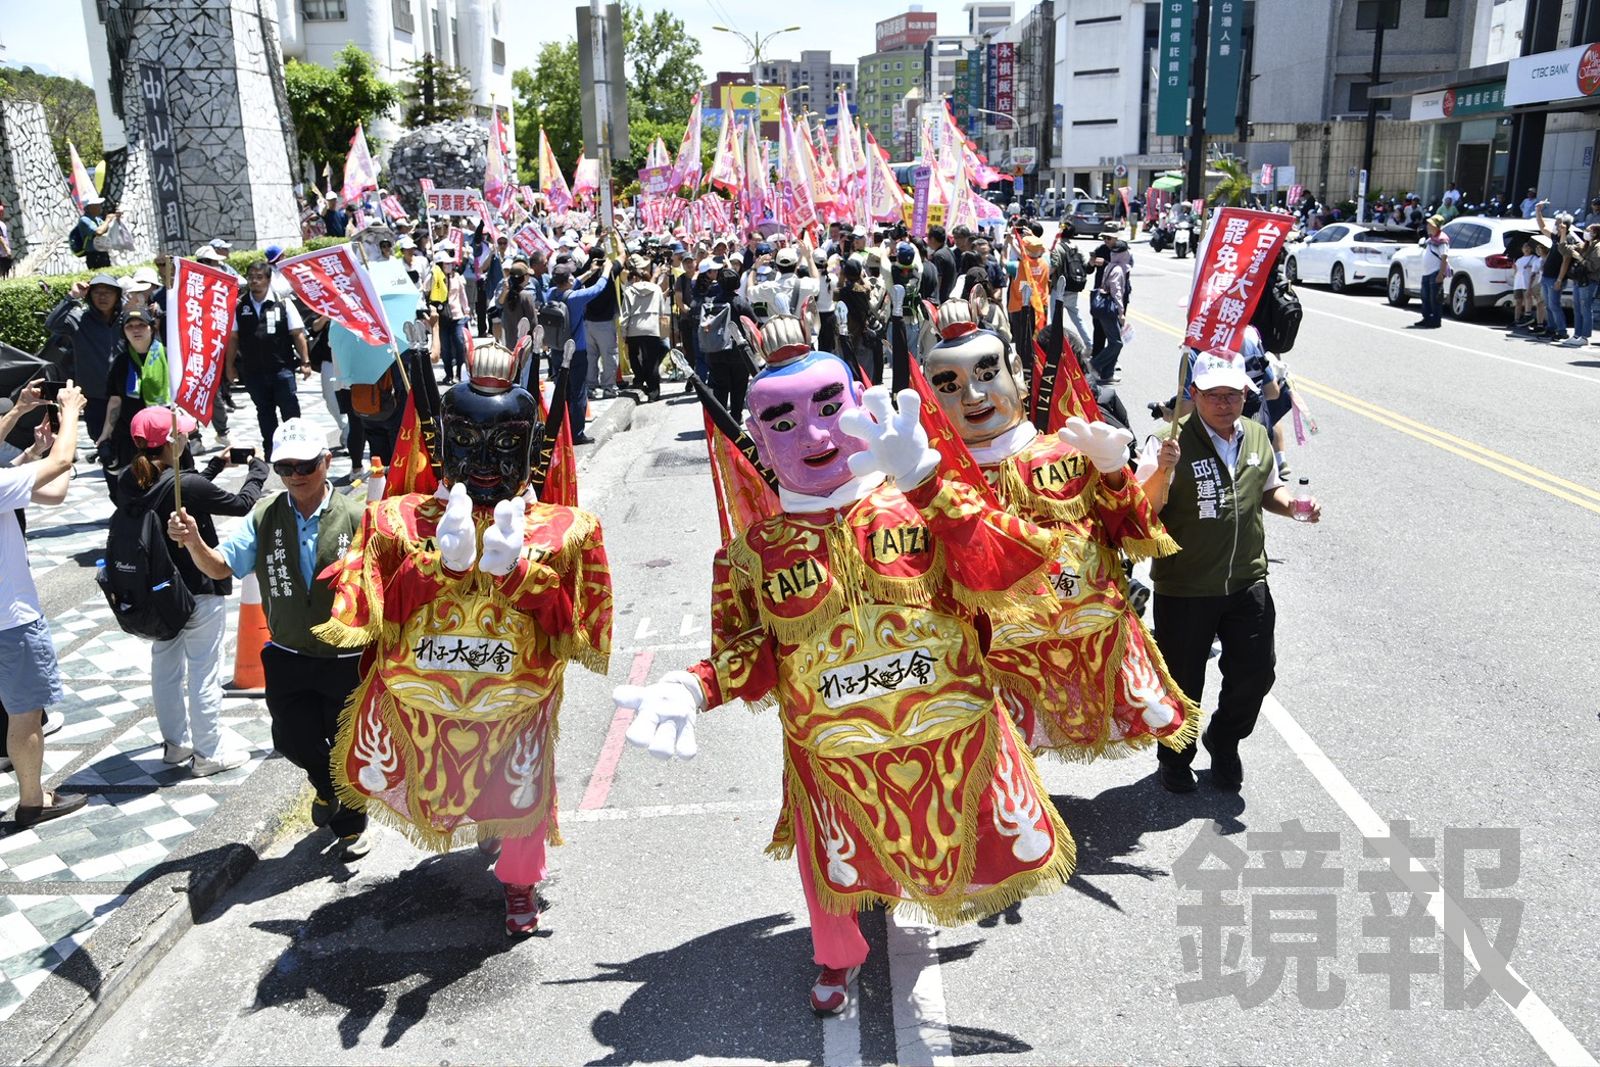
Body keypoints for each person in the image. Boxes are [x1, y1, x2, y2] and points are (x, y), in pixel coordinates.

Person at [616, 319, 1073, 1015]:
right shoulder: (751, 553)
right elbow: (754, 652)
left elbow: (1018, 562)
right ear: (756, 437)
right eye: (783, 422)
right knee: (829, 852)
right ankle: (836, 955)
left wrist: (927, 485)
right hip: (833, 749)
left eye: (830, 406)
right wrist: (693, 685)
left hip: (943, 733)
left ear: (861, 402)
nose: (816, 435)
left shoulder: (922, 501)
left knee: (946, 842)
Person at [313, 340, 613, 935]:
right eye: (466, 440)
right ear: (441, 441)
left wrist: (522, 575)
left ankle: (520, 882)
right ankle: (485, 824)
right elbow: (373, 614)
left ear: (532, 448)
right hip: (429, 693)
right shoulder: (395, 520)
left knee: (523, 779)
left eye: (504, 444)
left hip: (516, 694)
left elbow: (576, 631)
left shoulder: (565, 530)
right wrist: (435, 567)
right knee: (462, 777)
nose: (482, 460)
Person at [918, 299, 1198, 760]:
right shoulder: (939, 480)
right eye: (950, 385)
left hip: (1087, 629)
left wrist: (1112, 471)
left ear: (1016, 372)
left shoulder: (1066, 450)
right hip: (998, 647)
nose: (972, 396)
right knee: (1005, 754)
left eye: (986, 374)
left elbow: (1130, 529)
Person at [167, 417, 370, 860]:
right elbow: (221, 566)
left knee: (348, 743)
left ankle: (351, 824)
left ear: (326, 461)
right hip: (289, 653)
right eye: (285, 467)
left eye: (306, 465)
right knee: (291, 738)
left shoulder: (357, 516)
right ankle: (326, 786)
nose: (296, 476)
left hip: (346, 656)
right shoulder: (265, 515)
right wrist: (195, 541)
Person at [1138, 355, 1322, 794]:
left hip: (1246, 578)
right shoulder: (1167, 441)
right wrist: (1164, 469)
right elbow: (1143, 510)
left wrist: (1293, 507)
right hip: (1186, 583)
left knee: (1257, 673)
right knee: (1183, 681)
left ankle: (1223, 738)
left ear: (1246, 394)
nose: (1224, 403)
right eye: (1214, 395)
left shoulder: (1256, 434)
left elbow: (1269, 490)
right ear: (1194, 394)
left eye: (1233, 394)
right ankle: (1175, 757)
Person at [118, 408, 268, 775]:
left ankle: (175, 745)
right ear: (174, 441)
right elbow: (241, 504)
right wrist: (258, 469)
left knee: (165, 667)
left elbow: (182, 489)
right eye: (184, 435)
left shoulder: (128, 479)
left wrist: (215, 466)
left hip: (156, 594)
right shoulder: (185, 485)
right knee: (204, 672)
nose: (188, 438)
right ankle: (208, 753)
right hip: (197, 589)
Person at [2, 381, 88, 827]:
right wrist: (70, 412)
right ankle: (33, 801)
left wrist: (19, 413)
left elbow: (46, 483)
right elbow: (62, 463)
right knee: (26, 713)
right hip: (11, 620)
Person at [228, 259, 310, 451]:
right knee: (264, 413)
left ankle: (297, 449)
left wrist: (305, 361)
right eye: (251, 277)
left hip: (282, 369)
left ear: (268, 279)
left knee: (290, 411)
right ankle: (271, 452)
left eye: (259, 277)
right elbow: (233, 338)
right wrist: (229, 366)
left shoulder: (283, 303)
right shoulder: (240, 306)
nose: (254, 281)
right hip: (253, 372)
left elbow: (297, 334)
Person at [96, 306, 171, 497]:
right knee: (130, 487)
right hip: (130, 435)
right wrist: (105, 434)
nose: (136, 330)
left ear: (151, 328)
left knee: (167, 485)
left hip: (164, 433)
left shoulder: (169, 356)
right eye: (130, 326)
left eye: (141, 325)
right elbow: (115, 400)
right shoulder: (120, 362)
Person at [45, 273, 124, 441]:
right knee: (100, 441)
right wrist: (72, 297)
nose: (102, 297)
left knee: (129, 442)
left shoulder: (126, 320)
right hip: (95, 396)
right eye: (97, 292)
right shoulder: (79, 319)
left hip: (124, 394)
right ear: (89, 296)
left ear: (117, 295)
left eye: (108, 292)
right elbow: (52, 324)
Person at [553, 254, 614, 443]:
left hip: (557, 351)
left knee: (562, 392)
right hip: (576, 353)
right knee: (578, 392)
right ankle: (577, 434)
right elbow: (598, 288)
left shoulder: (551, 294)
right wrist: (606, 271)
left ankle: (562, 430)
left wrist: (589, 272)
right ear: (568, 279)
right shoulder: (576, 298)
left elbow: (574, 283)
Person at [621, 254, 665, 402]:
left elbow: (625, 314)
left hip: (634, 328)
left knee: (633, 356)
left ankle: (639, 379)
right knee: (652, 360)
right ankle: (653, 392)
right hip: (652, 327)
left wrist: (624, 332)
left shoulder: (629, 291)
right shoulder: (656, 289)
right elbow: (661, 309)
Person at [1089, 243, 1131, 383]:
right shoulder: (1118, 269)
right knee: (1116, 343)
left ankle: (1107, 374)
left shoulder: (1111, 265)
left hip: (1105, 308)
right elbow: (1116, 292)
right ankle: (1094, 364)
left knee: (1116, 341)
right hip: (1109, 309)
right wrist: (1121, 312)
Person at [429, 250, 470, 384]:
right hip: (442, 317)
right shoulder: (435, 278)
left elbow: (462, 294)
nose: (449, 266)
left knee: (459, 343)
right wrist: (433, 274)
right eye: (446, 263)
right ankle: (449, 375)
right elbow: (426, 289)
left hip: (457, 316)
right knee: (445, 348)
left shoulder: (456, 276)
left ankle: (459, 373)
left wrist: (466, 309)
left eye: (450, 263)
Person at [1533, 202, 1572, 342]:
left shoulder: (1568, 240)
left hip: (1556, 278)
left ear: (1564, 226)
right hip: (1547, 276)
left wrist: (1560, 279)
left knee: (1554, 305)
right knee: (1549, 305)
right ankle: (1551, 328)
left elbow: (1566, 261)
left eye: (1558, 223)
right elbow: (1542, 227)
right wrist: (1538, 211)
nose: (1555, 225)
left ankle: (1562, 331)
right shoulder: (1556, 237)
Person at [1414, 215, 1449, 330]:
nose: (1428, 227)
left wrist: (1441, 274)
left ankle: (1435, 320)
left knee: (1435, 298)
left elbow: (1444, 258)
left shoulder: (1442, 240)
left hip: (1435, 273)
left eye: (1431, 225)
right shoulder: (1431, 239)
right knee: (1425, 297)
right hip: (1426, 273)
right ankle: (1426, 318)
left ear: (1437, 227)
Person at [71, 196, 115, 269]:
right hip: (94, 256)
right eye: (97, 205)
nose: (100, 207)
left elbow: (105, 229)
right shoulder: (84, 220)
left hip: (103, 253)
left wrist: (114, 218)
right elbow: (99, 232)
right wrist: (107, 220)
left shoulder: (97, 219)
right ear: (90, 207)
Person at [0, 201, 13, 278]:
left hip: (4, 254)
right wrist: (7, 249)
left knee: (5, 275)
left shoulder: (2, 224)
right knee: (3, 274)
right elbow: (0, 237)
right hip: (1, 254)